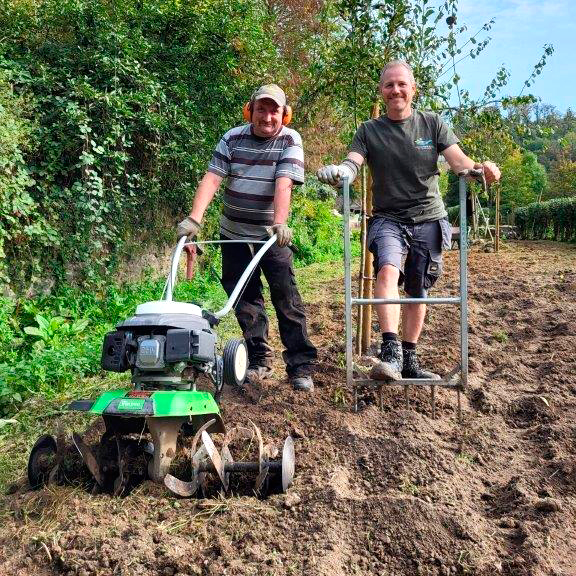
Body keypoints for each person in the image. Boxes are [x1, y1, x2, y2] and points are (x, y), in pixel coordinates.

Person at [317, 60, 501, 381]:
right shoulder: (369, 130)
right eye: (389, 85)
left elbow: (460, 164)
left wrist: (482, 169)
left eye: (402, 84)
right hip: (388, 219)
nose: (396, 90)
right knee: (387, 269)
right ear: (381, 91)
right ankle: (389, 353)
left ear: (413, 89)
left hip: (430, 220)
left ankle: (409, 360)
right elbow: (353, 163)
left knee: (418, 290)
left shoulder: (432, 124)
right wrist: (340, 173)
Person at [177, 84, 317, 392]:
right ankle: (258, 359)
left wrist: (279, 224)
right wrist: (195, 218)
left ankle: (300, 365)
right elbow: (213, 177)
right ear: (249, 111)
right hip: (234, 234)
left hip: (271, 237)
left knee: (286, 298)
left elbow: (284, 183)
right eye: (261, 110)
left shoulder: (290, 139)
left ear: (285, 114)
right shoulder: (232, 138)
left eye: (274, 111)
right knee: (244, 299)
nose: (268, 117)